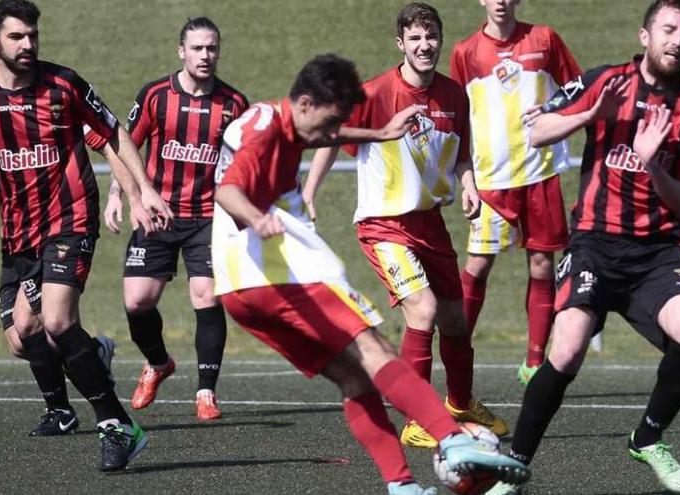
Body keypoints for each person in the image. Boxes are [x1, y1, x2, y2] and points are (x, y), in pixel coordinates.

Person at [213, 52, 528, 495]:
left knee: (353, 378)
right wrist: (255, 216)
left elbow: (318, 136)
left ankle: (402, 487)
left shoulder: (279, 120)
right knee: (373, 347)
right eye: (327, 123)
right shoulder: (264, 134)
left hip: (238, 290)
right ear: (304, 103)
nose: (330, 135)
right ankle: (454, 440)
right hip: (276, 271)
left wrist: (379, 133)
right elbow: (228, 188)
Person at [0, 0, 173, 471]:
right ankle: (93, 360)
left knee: (59, 322)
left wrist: (142, 190)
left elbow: (113, 133)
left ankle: (117, 425)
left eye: (33, 35)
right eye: (16, 37)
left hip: (70, 218)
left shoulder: (64, 84)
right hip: (19, 231)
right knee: (25, 334)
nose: (28, 44)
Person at [488, 1, 680, 493]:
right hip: (593, 243)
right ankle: (515, 466)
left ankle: (647, 438)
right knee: (566, 349)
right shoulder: (605, 80)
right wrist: (592, 113)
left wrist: (652, 165)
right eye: (668, 30)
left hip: (655, 253)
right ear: (645, 35)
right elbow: (537, 131)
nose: (677, 40)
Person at [304, 2, 507, 449]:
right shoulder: (375, 93)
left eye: (430, 36)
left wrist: (469, 185)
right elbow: (330, 135)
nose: (424, 45)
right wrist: (309, 192)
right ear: (401, 44)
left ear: (440, 40)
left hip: (430, 223)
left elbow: (464, 155)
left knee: (455, 320)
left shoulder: (455, 96)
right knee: (424, 310)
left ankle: (460, 402)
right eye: (414, 38)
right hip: (384, 225)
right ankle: (418, 417)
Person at [102, 17, 248, 421]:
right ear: (181, 51)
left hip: (207, 218)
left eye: (212, 48)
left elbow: (244, 162)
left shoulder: (235, 104)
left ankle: (206, 393)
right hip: (157, 213)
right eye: (197, 48)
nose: (205, 55)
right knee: (137, 302)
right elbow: (124, 146)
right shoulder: (155, 96)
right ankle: (159, 362)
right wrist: (117, 194)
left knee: (207, 295)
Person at [449, 0, 582, 385]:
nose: (501, 1)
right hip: (491, 179)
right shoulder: (465, 52)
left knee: (542, 265)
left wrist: (552, 108)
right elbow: (459, 117)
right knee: (478, 265)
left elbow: (577, 88)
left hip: (540, 174)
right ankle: (457, 349)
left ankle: (535, 363)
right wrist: (467, 180)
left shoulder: (545, 38)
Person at [0, 132, 119, 437]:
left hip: (60, 230)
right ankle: (93, 351)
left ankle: (78, 414)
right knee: (20, 342)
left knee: (37, 323)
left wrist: (124, 193)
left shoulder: (56, 104)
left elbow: (108, 138)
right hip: (16, 238)